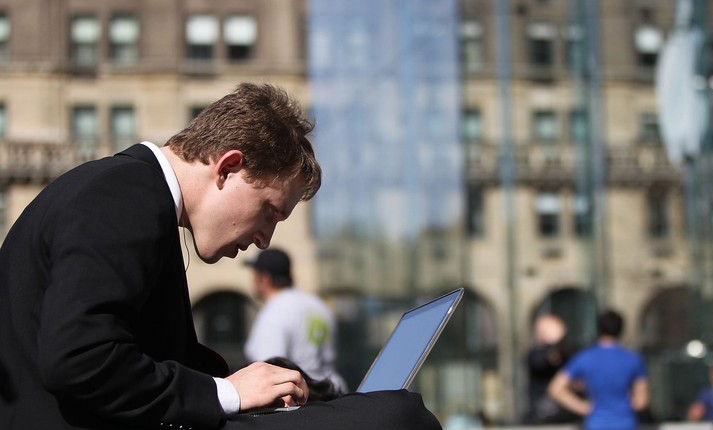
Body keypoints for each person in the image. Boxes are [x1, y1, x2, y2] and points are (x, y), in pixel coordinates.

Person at [0, 83, 441, 430]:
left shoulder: (130, 193)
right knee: (400, 418)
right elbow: (79, 361)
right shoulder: (123, 196)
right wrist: (226, 394)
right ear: (228, 167)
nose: (266, 239)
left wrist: (263, 383)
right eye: (270, 211)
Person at [244, 248, 347, 392]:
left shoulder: (274, 311)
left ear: (264, 278)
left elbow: (267, 372)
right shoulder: (318, 305)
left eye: (254, 274)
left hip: (303, 400)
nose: (252, 280)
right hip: (332, 393)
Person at [548, 309, 650, 430]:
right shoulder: (633, 359)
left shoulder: (585, 357)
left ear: (598, 329)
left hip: (597, 424)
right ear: (621, 330)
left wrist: (583, 407)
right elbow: (642, 401)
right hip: (625, 424)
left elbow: (555, 389)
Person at [522, 314, 577, 424]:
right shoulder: (535, 356)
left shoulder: (568, 357)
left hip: (563, 415)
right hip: (542, 415)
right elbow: (544, 360)